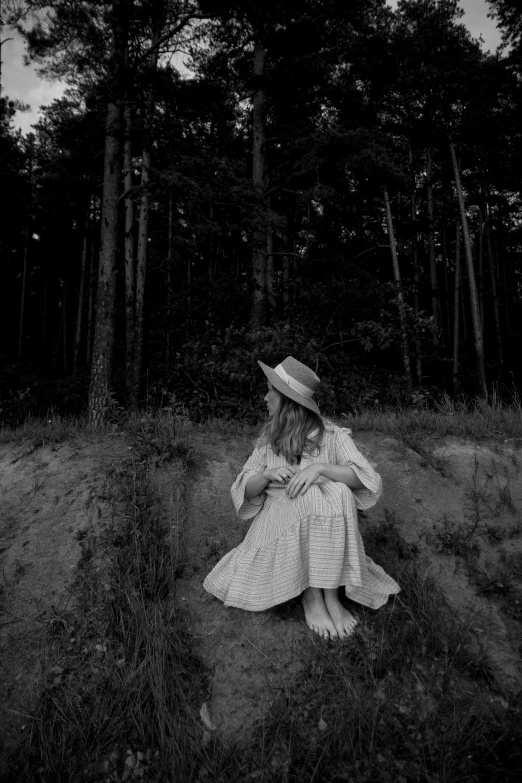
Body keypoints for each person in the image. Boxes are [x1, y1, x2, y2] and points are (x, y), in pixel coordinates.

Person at [203, 356, 400, 640]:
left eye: (270, 389)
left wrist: (320, 468)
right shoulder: (268, 442)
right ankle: (311, 596)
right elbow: (244, 488)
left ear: (285, 398)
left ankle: (331, 595)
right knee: (305, 496)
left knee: (340, 491)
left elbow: (368, 479)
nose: (265, 396)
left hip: (324, 521)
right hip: (279, 522)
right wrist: (268, 474)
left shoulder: (332, 435)